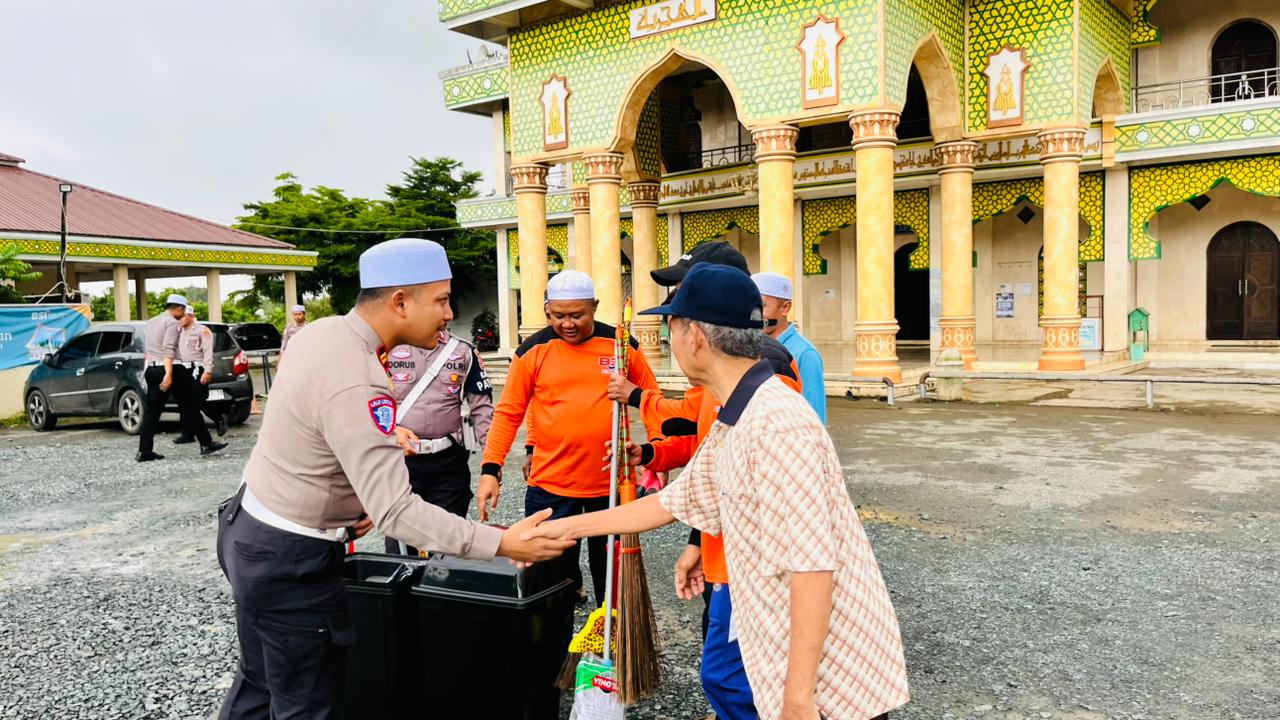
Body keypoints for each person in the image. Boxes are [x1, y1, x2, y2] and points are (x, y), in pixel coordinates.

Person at [527, 264, 909, 720]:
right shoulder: (736, 413)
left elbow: (813, 568)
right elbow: (669, 503)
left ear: (696, 338)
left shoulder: (777, 423)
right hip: (782, 648)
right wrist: (558, 528)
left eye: (672, 328)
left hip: (832, 686)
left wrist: (799, 696)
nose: (670, 341)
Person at [215, 238, 573, 720]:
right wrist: (504, 542)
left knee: (259, 686)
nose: (450, 314)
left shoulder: (319, 335)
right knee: (305, 706)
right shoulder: (359, 376)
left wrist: (348, 499)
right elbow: (397, 512)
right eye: (442, 300)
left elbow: (306, 431)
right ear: (400, 301)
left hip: (250, 529)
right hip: (292, 560)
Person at [478, 270, 659, 606]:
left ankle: (612, 624)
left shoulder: (620, 344)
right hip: (552, 484)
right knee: (551, 576)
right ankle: (560, 620)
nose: (568, 323)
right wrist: (491, 468)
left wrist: (658, 454)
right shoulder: (533, 350)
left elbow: (652, 400)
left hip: (610, 482)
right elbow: (509, 412)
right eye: (558, 315)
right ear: (547, 311)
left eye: (577, 314)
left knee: (611, 571)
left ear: (594, 307)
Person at [383, 327, 495, 554]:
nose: (444, 312)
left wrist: (492, 466)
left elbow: (483, 410)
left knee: (448, 544)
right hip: (400, 464)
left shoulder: (463, 351)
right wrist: (388, 431)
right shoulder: (386, 350)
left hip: (448, 465)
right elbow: (364, 399)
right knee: (401, 547)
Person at [136, 294, 226, 462]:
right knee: (191, 405)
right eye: (183, 310)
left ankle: (144, 450)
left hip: (152, 369)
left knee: (152, 411)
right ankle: (206, 444)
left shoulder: (151, 322)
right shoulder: (172, 323)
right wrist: (169, 374)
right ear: (178, 308)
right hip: (172, 368)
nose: (183, 315)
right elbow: (168, 349)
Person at [752, 271, 826, 423]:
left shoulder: (805, 354)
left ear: (785, 308)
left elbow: (814, 417)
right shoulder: (748, 347)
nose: (755, 314)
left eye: (762, 306)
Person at [174, 306, 230, 443]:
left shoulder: (202, 330)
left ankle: (218, 417)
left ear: (191, 316)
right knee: (184, 402)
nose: (180, 319)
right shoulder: (178, 331)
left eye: (183, 316)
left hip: (197, 369)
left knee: (196, 401)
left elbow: (207, 352)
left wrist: (208, 370)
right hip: (182, 369)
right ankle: (187, 433)